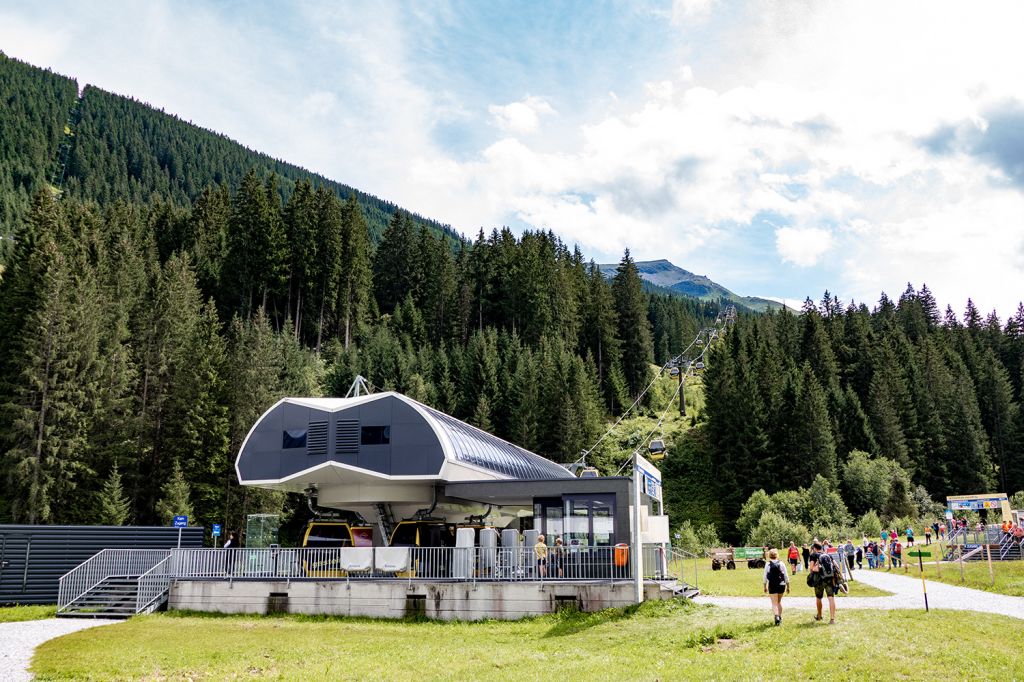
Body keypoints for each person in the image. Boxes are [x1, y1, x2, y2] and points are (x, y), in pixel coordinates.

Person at [808, 542, 837, 624]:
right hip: (829, 579)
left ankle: (819, 615)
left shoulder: (814, 555)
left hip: (818, 579)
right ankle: (832, 619)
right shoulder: (828, 555)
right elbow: (835, 566)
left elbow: (811, 568)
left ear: (814, 548)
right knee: (831, 598)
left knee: (818, 598)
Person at [763, 548, 790, 626]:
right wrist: (788, 586)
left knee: (774, 603)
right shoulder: (781, 563)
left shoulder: (767, 564)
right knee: (779, 602)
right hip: (781, 585)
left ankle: (776, 617)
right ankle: (780, 617)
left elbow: (765, 576)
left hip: (772, 585)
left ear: (769, 556)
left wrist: (765, 586)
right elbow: (786, 576)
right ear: (777, 555)